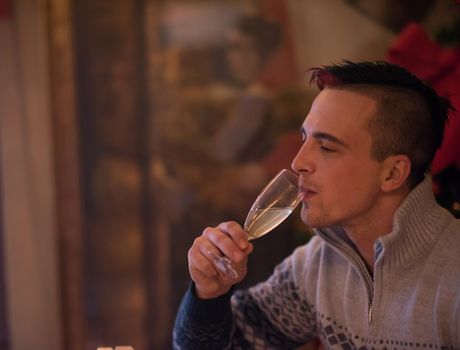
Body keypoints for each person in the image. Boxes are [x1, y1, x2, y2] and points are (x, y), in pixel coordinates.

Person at [172, 60, 459, 349]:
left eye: (327, 147)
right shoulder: (317, 263)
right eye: (304, 138)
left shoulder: (452, 274)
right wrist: (209, 294)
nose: (298, 162)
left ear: (392, 173)